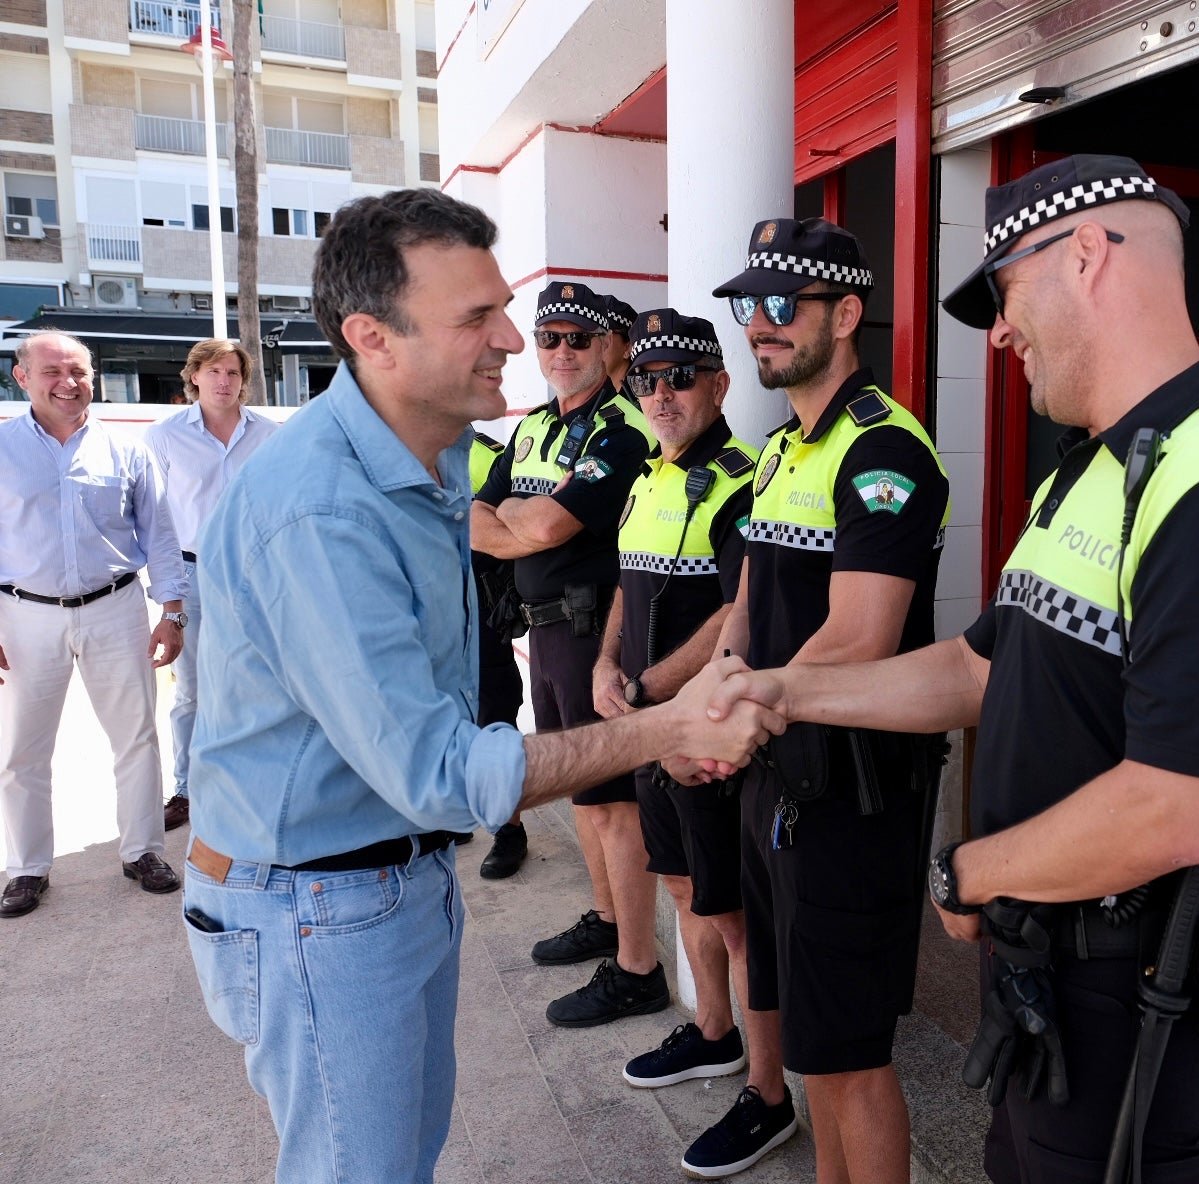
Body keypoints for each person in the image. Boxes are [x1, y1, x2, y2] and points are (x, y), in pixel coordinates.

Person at [700, 155, 1199, 1183]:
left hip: (1135, 987)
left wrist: (969, 869)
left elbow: (1177, 805)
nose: (999, 331)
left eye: (1004, 290)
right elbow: (973, 666)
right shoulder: (1087, 468)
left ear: (1085, 253)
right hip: (1045, 965)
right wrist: (785, 689)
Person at [180, 188, 782, 1183]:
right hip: (315, 902)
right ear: (371, 337)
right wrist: (665, 724)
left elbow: (529, 539)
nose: (516, 337)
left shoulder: (443, 445)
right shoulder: (320, 509)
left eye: (510, 309)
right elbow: (439, 771)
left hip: (394, 878)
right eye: (479, 318)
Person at [699, 218, 951, 1184]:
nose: (757, 326)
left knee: (849, 1058)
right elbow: (750, 603)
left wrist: (734, 718)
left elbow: (859, 637)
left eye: (780, 306)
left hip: (852, 790)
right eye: (746, 307)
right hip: (775, 772)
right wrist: (718, 697)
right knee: (809, 1041)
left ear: (847, 314)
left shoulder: (886, 450)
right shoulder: (776, 450)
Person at [590, 308, 795, 1177]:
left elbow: (729, 617)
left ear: (719, 384)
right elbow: (624, 587)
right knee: (681, 887)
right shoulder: (646, 475)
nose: (661, 394)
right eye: (646, 378)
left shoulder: (742, 480)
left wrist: (648, 694)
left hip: (699, 730)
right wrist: (605, 660)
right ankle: (713, 1032)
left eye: (679, 377)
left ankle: (768, 1093)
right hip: (645, 726)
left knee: (738, 917)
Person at [471, 280, 669, 1026]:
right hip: (543, 630)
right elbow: (474, 515)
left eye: (577, 339)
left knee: (615, 805)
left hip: (594, 634)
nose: (560, 352)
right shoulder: (530, 428)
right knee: (583, 800)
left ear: (603, 346)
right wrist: (519, 517)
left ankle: (638, 966)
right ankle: (608, 920)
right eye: (548, 337)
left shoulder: (620, 428)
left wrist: (519, 518)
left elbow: (552, 528)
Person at [0, 331, 188, 918]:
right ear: (21, 376)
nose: (69, 382)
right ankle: (28, 868)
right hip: (25, 615)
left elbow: (159, 535)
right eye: (52, 370)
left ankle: (142, 851)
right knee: (23, 751)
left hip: (115, 608)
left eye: (79, 370)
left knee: (136, 737)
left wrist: (173, 612)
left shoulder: (126, 450)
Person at [144, 338, 278, 833]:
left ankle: (253, 783)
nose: (225, 382)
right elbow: (153, 518)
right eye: (215, 371)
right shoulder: (163, 438)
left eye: (233, 373)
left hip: (255, 575)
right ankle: (186, 787)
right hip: (192, 573)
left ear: (244, 381)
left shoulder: (269, 435)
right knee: (192, 691)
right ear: (194, 376)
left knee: (258, 682)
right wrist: (168, 597)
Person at [467, 428, 530, 878]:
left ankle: (509, 829)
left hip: (482, 611)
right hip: (421, 612)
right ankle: (448, 811)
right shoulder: (390, 449)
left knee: (495, 717)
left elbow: (514, 525)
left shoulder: (486, 455)